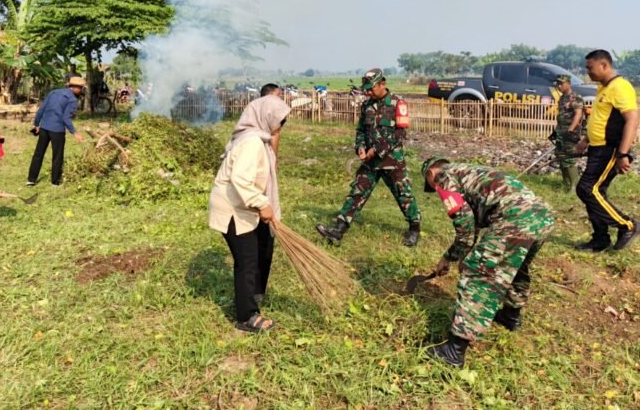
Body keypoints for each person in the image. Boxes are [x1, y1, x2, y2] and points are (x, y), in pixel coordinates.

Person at [420, 155, 555, 368]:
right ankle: (511, 315)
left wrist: (449, 257)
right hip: (542, 216)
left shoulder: (444, 179)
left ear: (430, 173)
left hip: (515, 218)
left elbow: (464, 227)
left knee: (479, 274)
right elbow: (473, 221)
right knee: (515, 267)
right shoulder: (469, 170)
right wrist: (462, 254)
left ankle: (454, 351)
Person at [208, 93, 291, 333]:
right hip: (233, 208)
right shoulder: (251, 142)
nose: (279, 127)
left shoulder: (260, 140)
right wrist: (262, 204)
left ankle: (254, 295)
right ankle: (246, 316)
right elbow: (240, 179)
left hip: (247, 205)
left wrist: (266, 207)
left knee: (265, 245)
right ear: (264, 117)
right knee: (247, 260)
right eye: (278, 121)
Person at [316, 69, 421, 247]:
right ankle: (339, 230)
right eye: (367, 89)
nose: (368, 92)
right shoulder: (366, 106)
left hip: (392, 161)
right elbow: (361, 130)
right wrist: (361, 147)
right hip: (370, 162)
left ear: (382, 84)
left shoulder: (398, 104)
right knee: (357, 192)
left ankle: (414, 229)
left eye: (371, 88)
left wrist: (377, 151)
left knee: (404, 195)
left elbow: (400, 134)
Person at [574, 50, 640, 252]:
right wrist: (585, 140)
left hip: (610, 149)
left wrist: (622, 154)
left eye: (590, 68)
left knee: (587, 189)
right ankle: (600, 239)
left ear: (604, 65)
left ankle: (628, 225)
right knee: (595, 192)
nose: (588, 72)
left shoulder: (621, 87)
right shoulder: (604, 88)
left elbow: (632, 120)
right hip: (598, 148)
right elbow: (600, 119)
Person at [27, 76, 86, 187]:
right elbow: (66, 118)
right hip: (57, 130)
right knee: (57, 156)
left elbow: (41, 109)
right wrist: (75, 133)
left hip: (44, 128)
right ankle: (55, 181)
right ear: (76, 88)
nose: (82, 90)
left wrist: (36, 124)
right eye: (81, 88)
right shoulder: (72, 100)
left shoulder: (53, 93)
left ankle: (31, 179)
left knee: (38, 154)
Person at [549, 74, 584, 192]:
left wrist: (570, 129)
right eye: (557, 84)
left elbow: (578, 115)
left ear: (568, 83)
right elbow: (562, 115)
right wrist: (556, 130)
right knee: (560, 156)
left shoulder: (575, 98)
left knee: (569, 158)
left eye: (561, 83)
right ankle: (566, 183)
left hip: (570, 133)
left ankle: (574, 187)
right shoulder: (562, 98)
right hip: (561, 132)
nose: (559, 86)